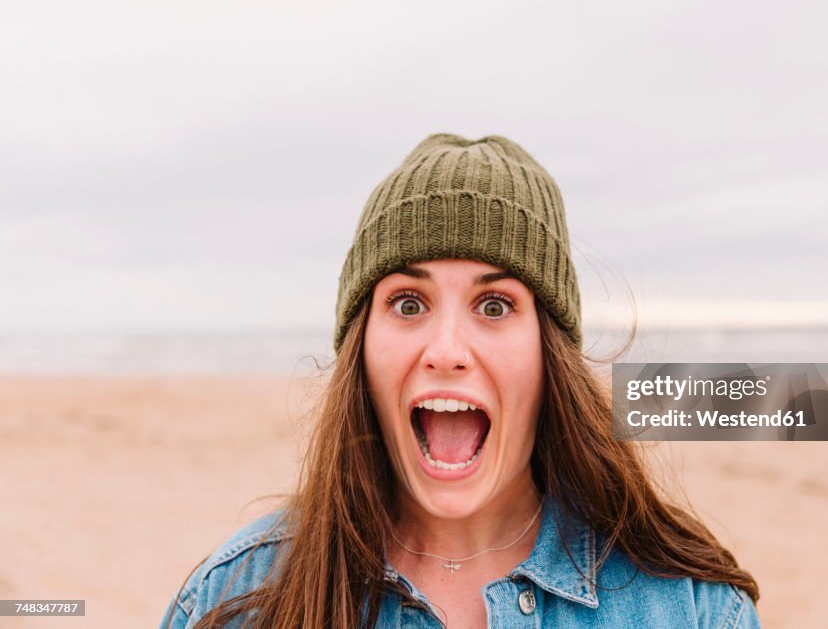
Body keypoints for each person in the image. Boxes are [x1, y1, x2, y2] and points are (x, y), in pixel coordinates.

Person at [161, 134, 761, 628]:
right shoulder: (233, 600)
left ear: (548, 352)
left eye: (495, 306)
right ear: (361, 347)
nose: (446, 351)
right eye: (408, 303)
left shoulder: (692, 608)